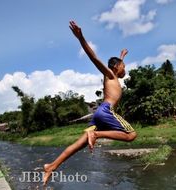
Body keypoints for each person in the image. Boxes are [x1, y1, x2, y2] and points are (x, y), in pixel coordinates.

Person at [42, 20, 137, 186]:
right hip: (107, 111)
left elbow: (117, 65)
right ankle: (96, 135)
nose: (125, 70)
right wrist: (81, 38)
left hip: (99, 114)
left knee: (78, 144)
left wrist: (122, 56)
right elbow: (94, 57)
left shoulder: (113, 74)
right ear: (116, 68)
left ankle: (51, 166)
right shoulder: (110, 74)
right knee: (131, 135)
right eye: (124, 67)